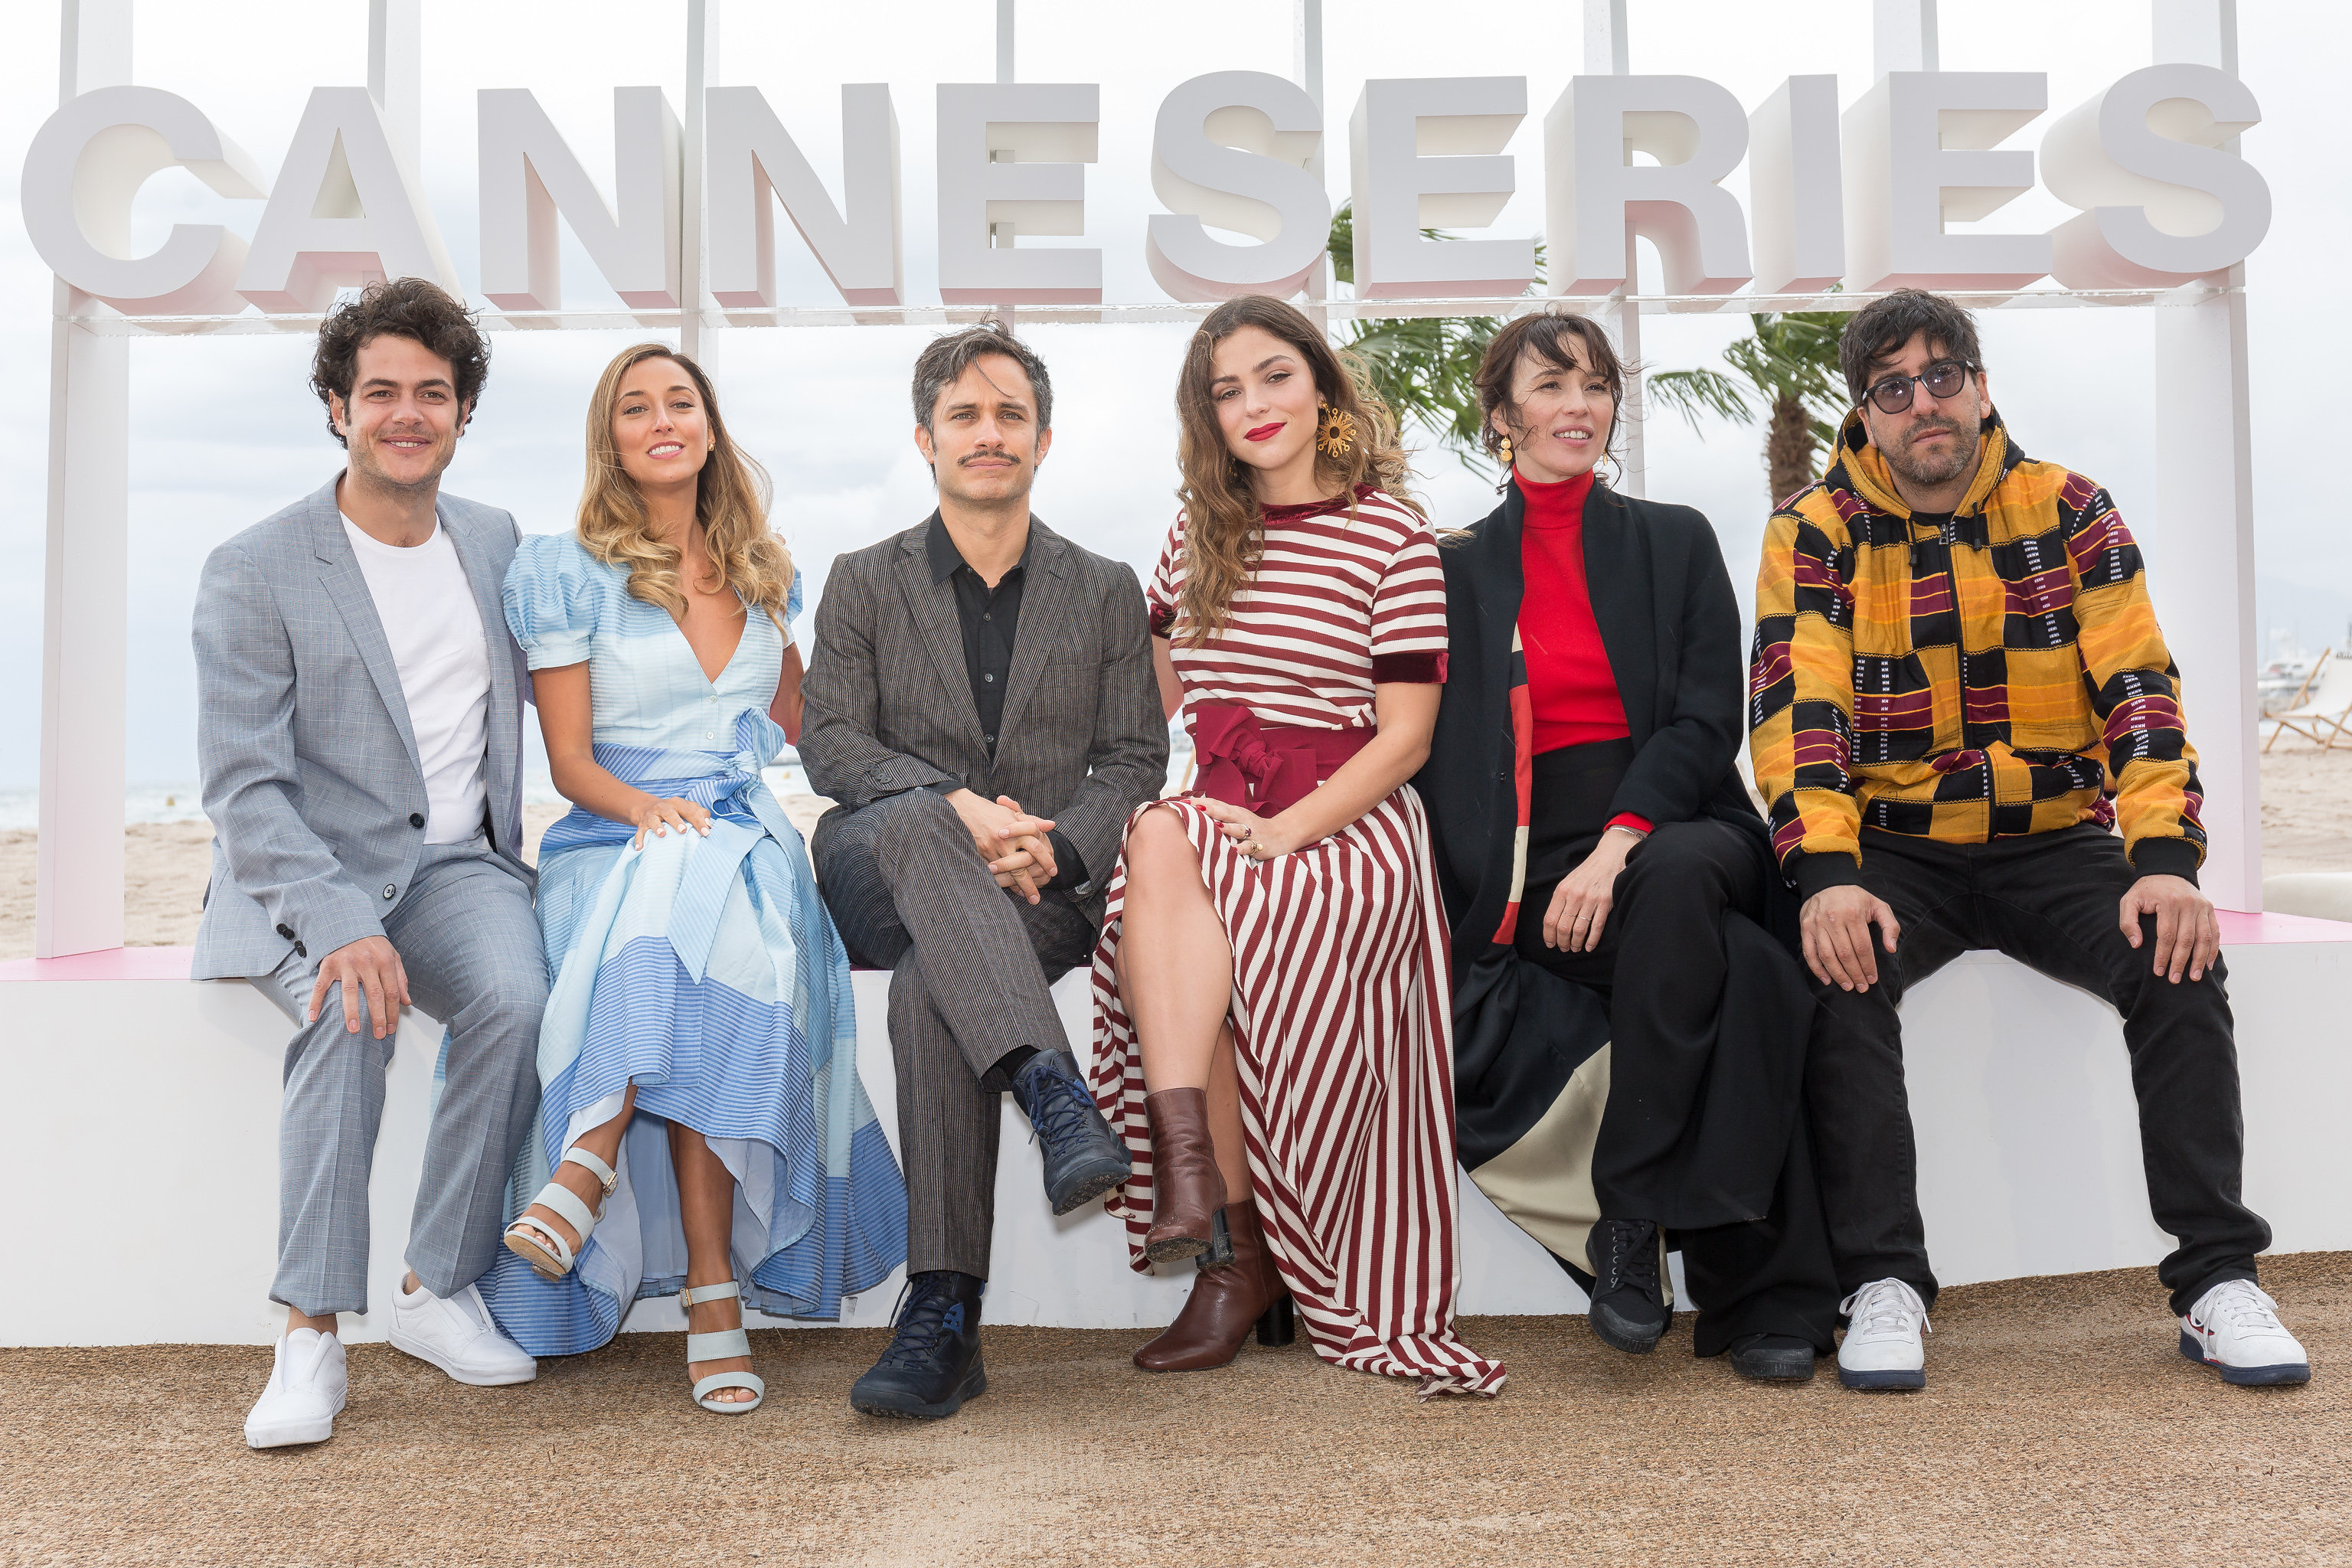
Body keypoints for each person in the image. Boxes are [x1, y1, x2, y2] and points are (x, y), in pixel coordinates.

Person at [1751, 288, 2310, 1391]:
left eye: (1943, 375)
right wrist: (1825, 875)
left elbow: (2140, 690)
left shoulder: (2072, 508)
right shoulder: (1811, 532)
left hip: (2057, 839)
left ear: (1981, 382)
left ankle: (2215, 1280)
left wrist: (2163, 860)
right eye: (1895, 388)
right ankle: (1886, 1281)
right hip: (1895, 842)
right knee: (1835, 975)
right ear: (1864, 412)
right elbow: (1795, 712)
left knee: (2177, 956)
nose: (1926, 405)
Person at [1088, 294, 1504, 1396]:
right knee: (1159, 838)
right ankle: (1213, 1216)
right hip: (1216, 817)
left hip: (1346, 823)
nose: (1253, 405)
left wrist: (1281, 832)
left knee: (1186, 884)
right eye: (1226, 391)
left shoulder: (1392, 534)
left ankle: (1222, 1237)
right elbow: (1154, 705)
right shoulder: (1196, 534)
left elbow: (1406, 740)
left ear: (1320, 385)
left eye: (1273, 376)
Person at [1414, 313, 1841, 1383]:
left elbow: (1705, 721)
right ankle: (1770, 1296)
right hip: (1531, 862)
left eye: (1597, 385)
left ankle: (1631, 1209)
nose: (1580, 404)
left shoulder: (1675, 537)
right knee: (1749, 976)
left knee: (1682, 877)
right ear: (1500, 415)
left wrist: (1616, 846)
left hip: (1684, 819)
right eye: (1551, 384)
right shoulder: (1448, 567)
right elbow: (1431, 749)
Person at [481, 344, 905, 1415]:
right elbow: (570, 764)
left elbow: (810, 729)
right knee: (682, 899)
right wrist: (648, 813)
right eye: (636, 407)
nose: (661, 419)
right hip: (612, 841)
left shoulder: (765, 569)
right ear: (610, 435)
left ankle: (587, 1168)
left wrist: (942, 784)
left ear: (710, 427)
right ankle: (711, 1295)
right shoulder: (564, 567)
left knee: (714, 906)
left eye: (681, 401)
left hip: (746, 842)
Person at [197, 279, 546, 1449]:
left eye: (432, 394)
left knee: (519, 998)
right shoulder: (255, 567)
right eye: (381, 392)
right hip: (304, 878)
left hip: (456, 870)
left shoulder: (495, 541)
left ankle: (437, 1288)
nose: (408, 413)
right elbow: (245, 786)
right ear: (338, 408)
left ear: (461, 413)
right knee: (352, 1014)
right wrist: (341, 919)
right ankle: (307, 1334)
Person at [799, 321, 1168, 1420]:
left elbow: (1136, 757)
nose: (988, 433)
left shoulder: (1104, 589)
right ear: (926, 438)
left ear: (1042, 439)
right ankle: (1055, 1094)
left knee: (931, 988)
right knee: (917, 821)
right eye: (965, 414)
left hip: (1039, 888)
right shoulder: (862, 581)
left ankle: (945, 1312)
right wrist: (957, 805)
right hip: (879, 863)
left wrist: (1056, 846)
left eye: (1010, 413)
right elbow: (832, 746)